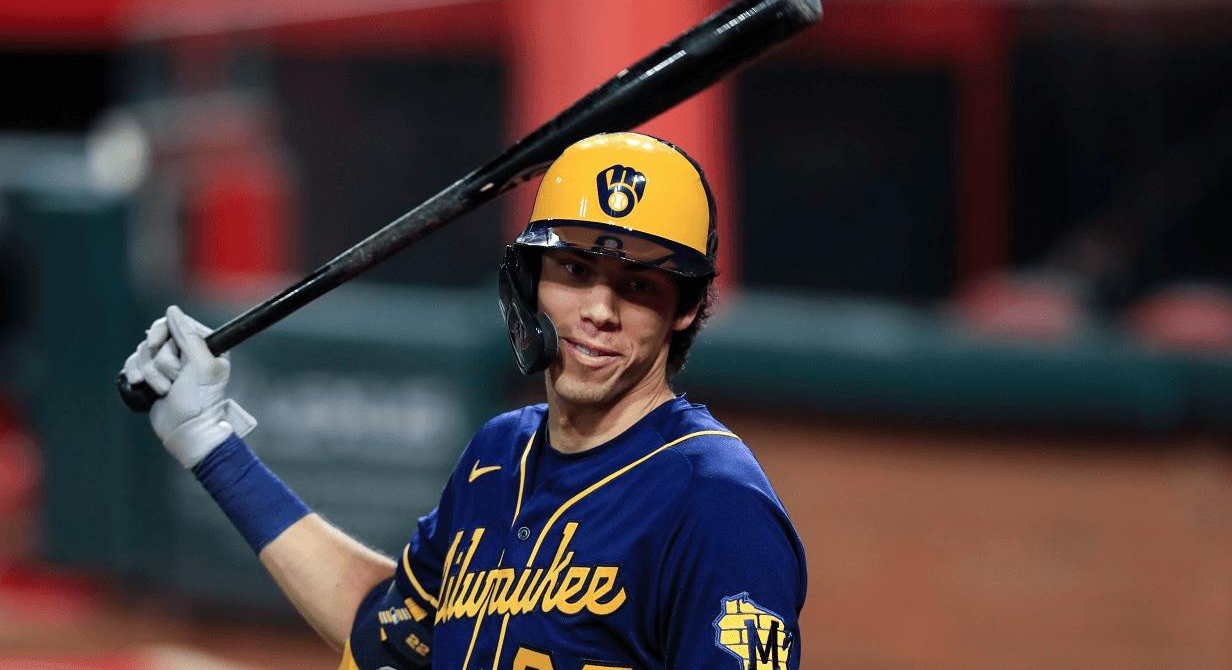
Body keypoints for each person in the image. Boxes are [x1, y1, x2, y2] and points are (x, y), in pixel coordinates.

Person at [123, 132, 807, 670]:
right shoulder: (497, 457)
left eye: (637, 285)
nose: (599, 309)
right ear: (531, 281)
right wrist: (210, 443)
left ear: (684, 309)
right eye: (575, 271)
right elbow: (388, 631)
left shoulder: (714, 500)